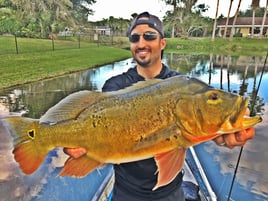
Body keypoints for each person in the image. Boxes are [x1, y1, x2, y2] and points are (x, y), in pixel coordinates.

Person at [65, 11, 255, 201]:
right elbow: (103, 143)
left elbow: (199, 122)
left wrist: (223, 132)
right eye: (134, 38)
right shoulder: (115, 86)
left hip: (170, 194)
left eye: (149, 36)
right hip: (126, 193)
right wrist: (83, 150)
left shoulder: (183, 85)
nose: (141, 43)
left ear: (162, 43)